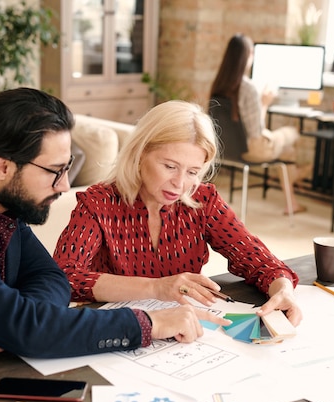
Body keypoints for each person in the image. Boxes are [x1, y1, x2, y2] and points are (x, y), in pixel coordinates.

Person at [0, 88, 229, 364]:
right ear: (3, 166)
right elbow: (32, 328)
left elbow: (52, 279)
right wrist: (149, 323)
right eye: (54, 171)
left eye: (67, 169)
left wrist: (3, 325)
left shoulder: (0, 206)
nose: (65, 185)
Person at [54, 100, 302, 326]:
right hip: (119, 329)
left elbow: (257, 260)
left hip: (186, 331)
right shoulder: (99, 203)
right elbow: (63, 277)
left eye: (193, 172)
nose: (180, 183)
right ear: (140, 154)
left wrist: (283, 290)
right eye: (170, 166)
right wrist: (157, 288)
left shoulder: (203, 200)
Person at [210, 34, 307, 214]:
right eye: (251, 53)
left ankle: (292, 198)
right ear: (246, 57)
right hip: (254, 150)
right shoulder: (248, 88)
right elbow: (257, 132)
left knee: (287, 153)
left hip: (227, 150)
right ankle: (298, 176)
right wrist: (265, 103)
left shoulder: (219, 84)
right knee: (292, 132)